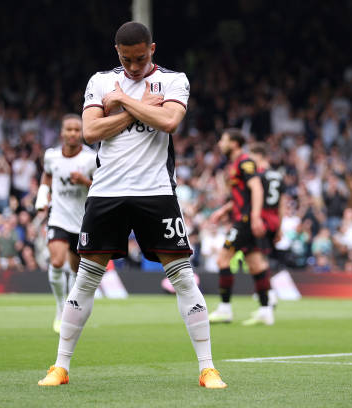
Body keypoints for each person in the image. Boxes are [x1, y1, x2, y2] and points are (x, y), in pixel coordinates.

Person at [38, 22, 226, 389]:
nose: (134, 65)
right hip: (106, 191)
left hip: (156, 191)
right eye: (127, 59)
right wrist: (134, 105)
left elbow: (169, 121)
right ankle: (60, 366)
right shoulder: (100, 81)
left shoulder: (174, 81)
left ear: (152, 49)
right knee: (87, 278)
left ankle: (207, 368)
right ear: (117, 53)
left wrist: (121, 103)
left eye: (140, 58)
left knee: (182, 276)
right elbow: (91, 132)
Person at [34, 114, 97, 333]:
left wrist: (85, 181)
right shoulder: (51, 156)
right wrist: (43, 196)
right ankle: (60, 307)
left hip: (81, 222)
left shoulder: (90, 159)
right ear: (62, 133)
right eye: (68, 129)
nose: (72, 133)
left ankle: (70, 305)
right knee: (57, 261)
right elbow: (47, 175)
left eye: (76, 130)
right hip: (58, 218)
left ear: (82, 132)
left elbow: (101, 187)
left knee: (75, 269)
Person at [207, 131, 277, 326]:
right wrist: (224, 209)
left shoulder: (244, 161)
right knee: (255, 263)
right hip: (243, 218)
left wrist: (254, 217)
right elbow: (244, 193)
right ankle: (265, 310)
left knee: (223, 259)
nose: (220, 143)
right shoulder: (234, 164)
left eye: (223, 140)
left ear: (235, 143)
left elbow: (256, 188)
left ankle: (225, 309)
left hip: (244, 221)